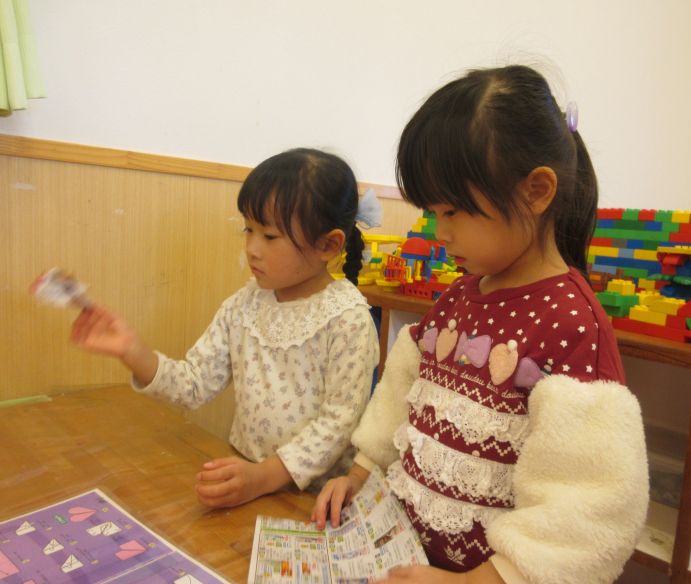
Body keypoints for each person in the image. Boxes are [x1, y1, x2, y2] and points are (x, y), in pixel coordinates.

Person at [312, 66, 648, 584]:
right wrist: (360, 472)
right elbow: (401, 399)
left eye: (453, 212)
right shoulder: (458, 297)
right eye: (433, 212)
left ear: (536, 191)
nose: (440, 232)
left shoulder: (575, 326)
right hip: (402, 557)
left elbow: (586, 514)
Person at [70, 148, 380, 509]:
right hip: (247, 483)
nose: (252, 249)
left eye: (270, 236)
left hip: (314, 501)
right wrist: (134, 352)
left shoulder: (348, 319)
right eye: (248, 229)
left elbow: (338, 424)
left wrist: (264, 476)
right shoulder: (243, 306)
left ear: (328, 245)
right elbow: (193, 384)